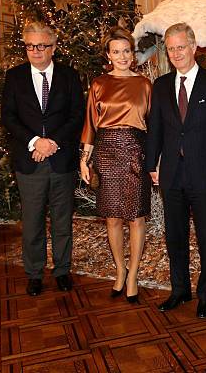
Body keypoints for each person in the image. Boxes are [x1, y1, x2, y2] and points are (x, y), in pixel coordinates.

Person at [146, 23, 206, 318]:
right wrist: (151, 165)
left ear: (194, 47)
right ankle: (180, 289)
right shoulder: (160, 86)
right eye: (170, 48)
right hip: (171, 173)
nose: (175, 53)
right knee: (175, 235)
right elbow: (155, 129)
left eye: (180, 47)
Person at [2, 21, 85, 296]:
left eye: (41, 45)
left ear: (54, 47)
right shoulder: (14, 77)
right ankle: (34, 273)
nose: (35, 51)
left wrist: (53, 143)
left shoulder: (69, 77)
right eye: (30, 46)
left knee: (62, 221)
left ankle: (62, 270)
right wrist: (36, 142)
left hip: (61, 161)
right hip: (29, 162)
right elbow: (9, 117)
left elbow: (76, 115)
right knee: (33, 222)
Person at [79, 28, 152, 304]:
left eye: (127, 50)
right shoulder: (98, 84)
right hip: (106, 153)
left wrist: (155, 160)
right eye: (116, 51)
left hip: (136, 151)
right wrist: (84, 160)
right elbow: (90, 124)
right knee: (112, 217)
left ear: (133, 54)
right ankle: (119, 270)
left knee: (136, 217)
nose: (122, 56)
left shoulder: (145, 84)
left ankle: (133, 274)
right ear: (108, 55)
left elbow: (153, 125)